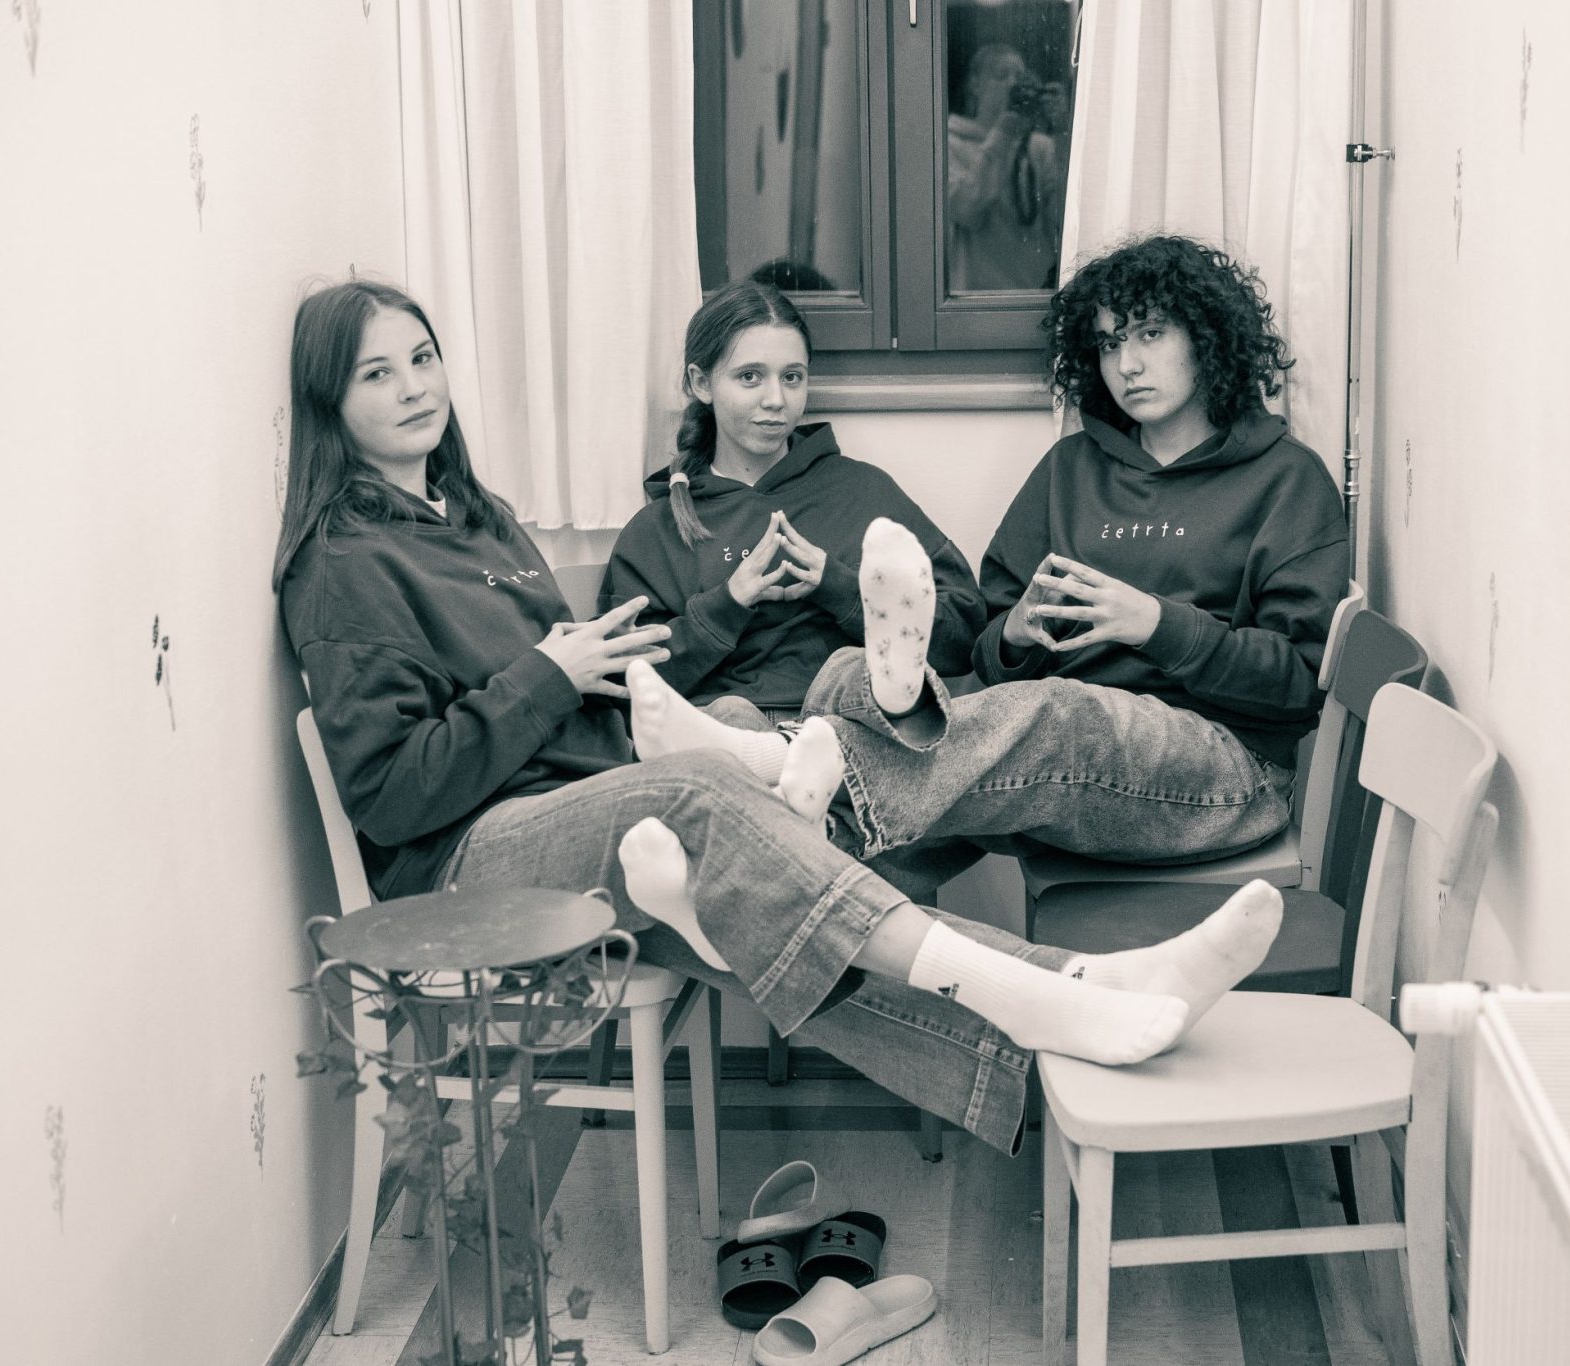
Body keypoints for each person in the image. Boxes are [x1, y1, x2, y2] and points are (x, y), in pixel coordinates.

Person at [273, 278, 1285, 1154]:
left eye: (422, 359)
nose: (414, 387)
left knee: (763, 869)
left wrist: (594, 681)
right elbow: (393, 799)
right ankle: (1072, 983)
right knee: (713, 789)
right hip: (464, 861)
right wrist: (562, 668)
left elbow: (962, 625)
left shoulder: (479, 523)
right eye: (377, 374)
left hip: (607, 805)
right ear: (330, 400)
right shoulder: (343, 564)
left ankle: (1071, 984)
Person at [972, 235, 1351, 853]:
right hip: (1058, 759)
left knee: (1057, 715)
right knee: (853, 683)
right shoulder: (1070, 469)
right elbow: (990, 664)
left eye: (1150, 334)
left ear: (1207, 337)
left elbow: (1300, 683)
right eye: (1109, 343)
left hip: (1226, 771)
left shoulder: (1286, 479)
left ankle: (827, 767)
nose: (1127, 365)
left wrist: (1155, 624)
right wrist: (1015, 635)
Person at [601, 279, 983, 721]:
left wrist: (843, 589)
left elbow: (963, 638)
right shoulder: (659, 527)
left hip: (851, 720)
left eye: (792, 377)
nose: (775, 400)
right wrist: (727, 605)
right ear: (701, 383)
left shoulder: (863, 492)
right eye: (750, 377)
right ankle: (772, 750)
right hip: (724, 732)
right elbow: (619, 684)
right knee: (733, 713)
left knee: (861, 674)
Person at [945, 43, 1070, 291]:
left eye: (1020, 78)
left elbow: (1064, 223)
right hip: (976, 298)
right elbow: (967, 209)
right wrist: (1004, 132)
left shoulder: (1039, 147)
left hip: (1036, 294)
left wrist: (1062, 132)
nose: (1013, 84)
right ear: (975, 85)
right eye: (1001, 76)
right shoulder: (949, 144)